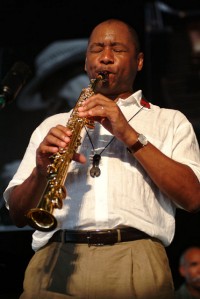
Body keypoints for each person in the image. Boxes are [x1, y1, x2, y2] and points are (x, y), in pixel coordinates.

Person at [3, 18, 200, 299]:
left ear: (139, 61)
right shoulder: (52, 125)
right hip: (55, 260)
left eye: (117, 49)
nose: (105, 58)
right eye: (97, 49)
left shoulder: (169, 121)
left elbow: (192, 198)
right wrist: (39, 172)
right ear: (86, 63)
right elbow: (18, 215)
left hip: (136, 261)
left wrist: (129, 133)